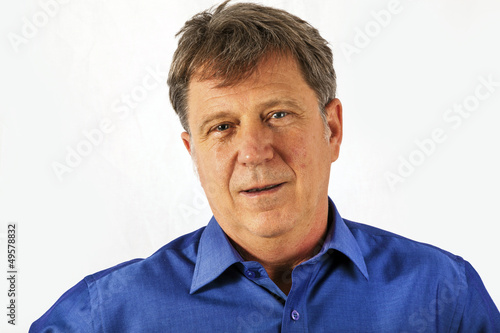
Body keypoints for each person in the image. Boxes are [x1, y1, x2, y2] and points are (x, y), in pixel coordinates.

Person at [30, 1, 499, 332]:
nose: (254, 152)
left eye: (278, 115)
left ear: (331, 129)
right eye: (222, 127)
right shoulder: (102, 317)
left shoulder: (443, 298)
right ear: (192, 153)